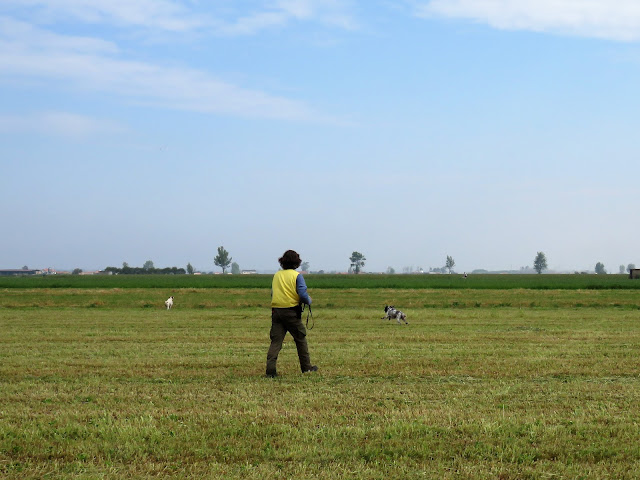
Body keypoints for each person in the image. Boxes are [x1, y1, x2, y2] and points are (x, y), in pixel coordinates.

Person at [266, 250, 318, 378]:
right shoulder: (297, 276)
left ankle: (270, 370)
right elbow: (302, 294)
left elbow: (273, 293)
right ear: (296, 262)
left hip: (276, 311)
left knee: (276, 341)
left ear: (282, 261)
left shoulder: (277, 275)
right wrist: (309, 301)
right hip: (291, 312)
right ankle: (306, 368)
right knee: (300, 339)